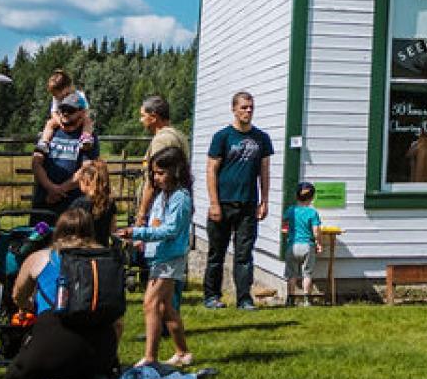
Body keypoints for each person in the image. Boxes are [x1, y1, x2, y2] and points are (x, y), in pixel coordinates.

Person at [7, 207, 123, 379]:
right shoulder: (107, 259)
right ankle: (94, 376)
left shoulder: (40, 258)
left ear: (58, 230)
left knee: (14, 378)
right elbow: (117, 319)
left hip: (54, 335)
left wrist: (30, 306)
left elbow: (18, 296)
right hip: (100, 342)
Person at [120, 148, 194, 367]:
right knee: (166, 307)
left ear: (176, 171)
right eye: (154, 173)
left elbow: (170, 230)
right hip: (159, 256)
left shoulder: (180, 198)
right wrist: (142, 240)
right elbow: (156, 224)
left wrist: (137, 232)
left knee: (150, 303)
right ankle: (183, 353)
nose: (156, 177)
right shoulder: (163, 195)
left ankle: (150, 358)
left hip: (170, 258)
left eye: (161, 172)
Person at [204, 91, 273, 310]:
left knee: (244, 255)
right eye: (243, 107)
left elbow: (264, 171)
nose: (248, 111)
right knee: (217, 253)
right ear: (234, 109)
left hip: (248, 205)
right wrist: (214, 203)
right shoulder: (222, 137)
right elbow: (211, 169)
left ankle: (244, 298)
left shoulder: (261, 138)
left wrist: (264, 201)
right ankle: (212, 296)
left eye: (251, 107)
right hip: (223, 204)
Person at [33, 93, 99, 212]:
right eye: (62, 109)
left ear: (81, 112)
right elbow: (36, 163)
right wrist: (50, 188)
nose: (65, 113)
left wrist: (60, 190)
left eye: (70, 110)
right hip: (44, 201)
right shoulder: (49, 132)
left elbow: (86, 169)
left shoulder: (88, 137)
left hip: (72, 205)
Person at [135, 94, 187, 226]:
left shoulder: (162, 140)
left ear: (153, 117)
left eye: (143, 115)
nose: (141, 120)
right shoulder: (178, 135)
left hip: (161, 206)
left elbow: (154, 180)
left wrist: (141, 215)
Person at [284, 182, 322, 306]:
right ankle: (307, 300)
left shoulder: (290, 210)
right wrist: (318, 243)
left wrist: (288, 235)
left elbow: (284, 227)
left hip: (292, 245)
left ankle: (290, 299)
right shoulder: (312, 213)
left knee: (291, 274)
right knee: (307, 274)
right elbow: (316, 231)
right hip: (307, 246)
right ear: (311, 198)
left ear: (296, 196)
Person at [68, 159, 117, 237]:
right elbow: (113, 229)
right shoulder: (109, 202)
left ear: (86, 181)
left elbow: (70, 228)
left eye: (80, 181)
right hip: (103, 247)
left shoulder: (78, 203)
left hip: (82, 247)